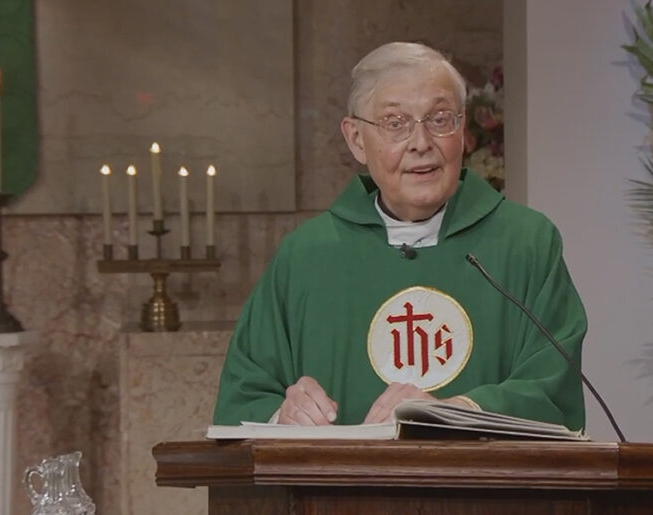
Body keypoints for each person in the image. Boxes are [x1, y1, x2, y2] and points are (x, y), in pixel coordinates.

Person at [213, 42, 588, 430]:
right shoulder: (306, 255)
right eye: (396, 124)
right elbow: (244, 395)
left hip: (486, 490)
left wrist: (456, 410)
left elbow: (553, 387)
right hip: (338, 490)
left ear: (462, 131)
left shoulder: (525, 243)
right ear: (356, 139)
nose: (421, 143)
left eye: (440, 119)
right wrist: (284, 415)